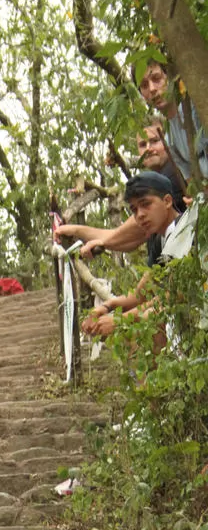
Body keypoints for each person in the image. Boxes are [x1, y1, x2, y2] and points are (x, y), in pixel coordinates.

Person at [81, 171, 195, 348]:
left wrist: (119, 319)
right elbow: (142, 293)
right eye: (134, 210)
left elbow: (176, 295)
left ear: (167, 201)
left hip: (195, 318)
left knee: (145, 324)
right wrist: (106, 307)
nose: (140, 215)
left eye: (146, 204)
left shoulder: (187, 230)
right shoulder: (159, 240)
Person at [56, 123, 186, 260]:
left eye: (155, 141)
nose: (148, 148)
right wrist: (77, 231)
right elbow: (130, 240)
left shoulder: (176, 172)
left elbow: (134, 232)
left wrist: (84, 233)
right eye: (142, 144)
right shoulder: (154, 183)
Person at [135, 57, 208, 184]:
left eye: (156, 79)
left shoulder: (198, 105)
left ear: (170, 77)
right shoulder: (170, 141)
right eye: (144, 85)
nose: (152, 89)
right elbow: (194, 184)